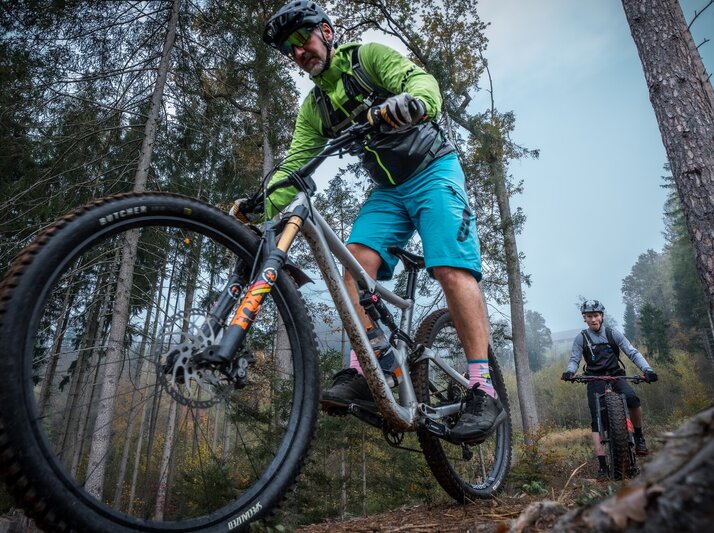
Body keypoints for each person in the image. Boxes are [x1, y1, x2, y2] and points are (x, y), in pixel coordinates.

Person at [262, 1, 505, 441]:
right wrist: (257, 206)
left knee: (450, 268)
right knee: (353, 265)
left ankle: (482, 387)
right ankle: (367, 370)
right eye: (288, 49)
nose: (298, 52)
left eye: (302, 39)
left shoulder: (367, 58)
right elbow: (295, 165)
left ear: (326, 32)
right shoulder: (316, 108)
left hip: (433, 170)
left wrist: (415, 102)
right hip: (389, 191)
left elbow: (419, 80)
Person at [561, 299, 658, 480]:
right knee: (597, 420)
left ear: (602, 316)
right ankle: (603, 466)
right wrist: (570, 372)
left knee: (633, 399)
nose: (593, 319)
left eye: (596, 315)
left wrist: (647, 370)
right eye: (589, 316)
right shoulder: (581, 338)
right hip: (594, 379)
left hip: (615, 376)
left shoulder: (613, 334)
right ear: (584, 318)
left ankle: (639, 437)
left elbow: (632, 352)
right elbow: (574, 359)